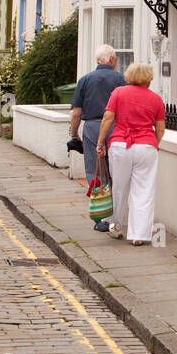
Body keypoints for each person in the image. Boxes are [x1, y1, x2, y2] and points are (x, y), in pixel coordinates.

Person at [96, 62, 165, 247]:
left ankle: (116, 228)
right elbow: (160, 129)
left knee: (119, 188)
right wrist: (153, 145)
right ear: (148, 79)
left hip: (120, 145)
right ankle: (139, 235)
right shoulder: (156, 99)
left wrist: (100, 142)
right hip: (146, 146)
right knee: (143, 191)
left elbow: (108, 118)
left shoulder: (118, 93)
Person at [69, 45, 126, 231]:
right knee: (116, 171)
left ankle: (101, 219)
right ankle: (118, 216)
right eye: (115, 58)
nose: (116, 61)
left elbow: (76, 112)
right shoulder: (121, 79)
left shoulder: (85, 80)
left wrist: (74, 134)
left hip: (93, 128)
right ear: (110, 59)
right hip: (117, 127)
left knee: (96, 170)